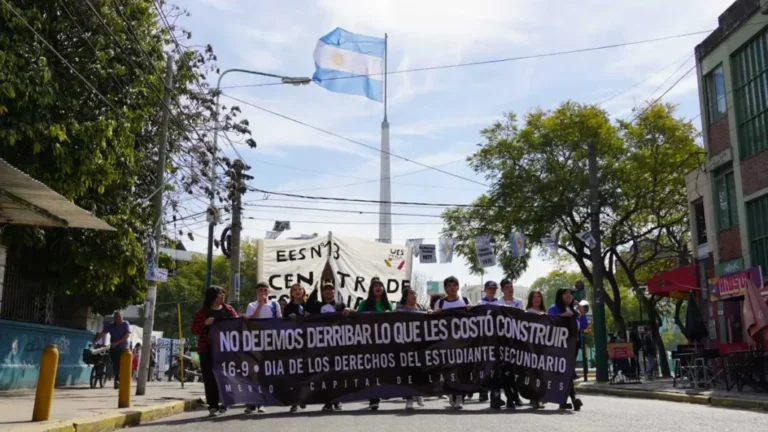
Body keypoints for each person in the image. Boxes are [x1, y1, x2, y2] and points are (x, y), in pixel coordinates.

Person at [191, 286, 238, 417]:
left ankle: (225, 401)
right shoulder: (202, 312)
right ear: (212, 297)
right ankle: (212, 405)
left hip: (226, 349)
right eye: (219, 294)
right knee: (209, 378)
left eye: (223, 294)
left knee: (225, 376)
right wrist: (205, 324)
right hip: (207, 349)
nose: (222, 296)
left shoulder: (228, 310)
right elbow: (194, 330)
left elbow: (237, 324)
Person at [306, 282, 351, 411]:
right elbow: (308, 306)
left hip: (337, 344)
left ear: (334, 292)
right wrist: (314, 291)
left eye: (331, 289)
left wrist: (348, 309)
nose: (328, 292)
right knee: (324, 374)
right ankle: (328, 401)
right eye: (326, 290)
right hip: (321, 344)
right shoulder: (318, 305)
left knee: (337, 373)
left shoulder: (340, 305)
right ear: (322, 292)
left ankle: (337, 400)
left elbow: (351, 317)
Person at [433, 276, 471, 410]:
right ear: (445, 288)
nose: (452, 288)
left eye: (454, 285)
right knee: (448, 369)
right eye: (449, 285)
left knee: (461, 369)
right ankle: (450, 392)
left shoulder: (464, 301)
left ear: (458, 287)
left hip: (462, 342)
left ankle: (460, 396)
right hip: (445, 343)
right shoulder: (440, 303)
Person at [244, 282, 282, 414]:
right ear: (256, 292)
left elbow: (279, 321)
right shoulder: (252, 305)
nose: (263, 293)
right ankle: (253, 401)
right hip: (255, 342)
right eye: (260, 290)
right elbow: (250, 320)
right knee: (254, 371)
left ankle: (262, 401)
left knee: (266, 372)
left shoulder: (274, 304)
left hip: (270, 342)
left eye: (265, 290)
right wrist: (260, 306)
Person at [357, 277, 393, 411]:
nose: (378, 288)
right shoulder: (364, 303)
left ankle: (384, 391)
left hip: (384, 343)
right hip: (369, 343)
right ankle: (374, 399)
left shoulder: (388, 305)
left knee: (384, 370)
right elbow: (356, 318)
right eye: (375, 286)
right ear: (371, 290)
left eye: (380, 285)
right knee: (372, 371)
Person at [547, 288, 584, 411]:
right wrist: (562, 316)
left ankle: (562, 400)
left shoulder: (574, 311)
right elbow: (548, 323)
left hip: (574, 344)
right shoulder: (554, 308)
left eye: (570, 294)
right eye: (565, 293)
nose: (569, 295)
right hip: (561, 344)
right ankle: (574, 397)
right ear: (560, 296)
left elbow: (583, 326)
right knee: (567, 370)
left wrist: (582, 314)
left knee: (566, 371)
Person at [396, 287, 427, 410]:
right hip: (405, 346)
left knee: (419, 370)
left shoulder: (421, 309)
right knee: (407, 372)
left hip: (419, 346)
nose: (414, 295)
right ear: (405, 296)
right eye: (411, 293)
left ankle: (418, 392)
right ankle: (409, 398)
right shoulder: (400, 309)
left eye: (415, 293)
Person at [283, 284, 307, 413]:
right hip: (294, 343)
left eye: (300, 289)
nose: (297, 292)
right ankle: (295, 401)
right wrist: (288, 319)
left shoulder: (310, 305)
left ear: (303, 292)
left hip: (309, 342)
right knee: (295, 373)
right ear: (291, 293)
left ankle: (306, 398)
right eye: (295, 290)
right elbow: (282, 323)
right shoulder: (288, 307)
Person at [93, 312, 131, 389]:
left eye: (120, 317)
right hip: (114, 347)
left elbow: (127, 335)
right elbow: (102, 333)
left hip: (123, 348)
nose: (118, 319)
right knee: (115, 363)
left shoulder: (125, 324)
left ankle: (120, 379)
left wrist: (118, 342)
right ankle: (116, 379)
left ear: (122, 317)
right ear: (114, 319)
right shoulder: (110, 326)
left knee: (122, 364)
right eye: (117, 317)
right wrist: (95, 341)